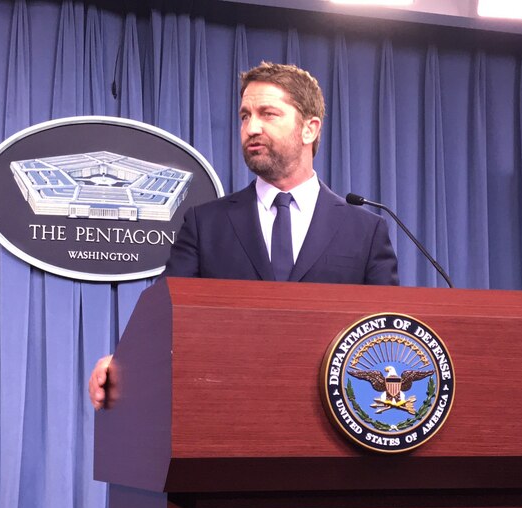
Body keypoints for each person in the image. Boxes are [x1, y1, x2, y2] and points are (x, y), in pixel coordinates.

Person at [89, 62, 399, 409]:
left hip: (333, 415)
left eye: (268, 114)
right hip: (228, 410)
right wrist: (124, 363)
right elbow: (164, 317)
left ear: (309, 129)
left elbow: (386, 336)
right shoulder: (206, 225)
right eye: (244, 116)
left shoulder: (365, 231)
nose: (251, 128)